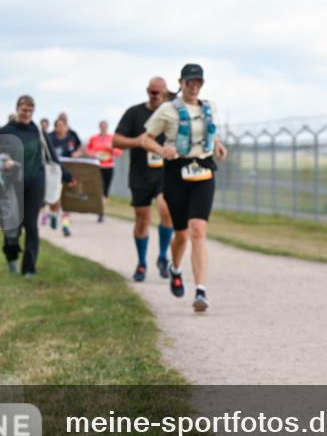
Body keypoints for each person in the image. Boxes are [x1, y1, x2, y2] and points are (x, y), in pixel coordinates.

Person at [140, 63, 227, 312]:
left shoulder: (210, 107)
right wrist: (161, 150)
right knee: (181, 234)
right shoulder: (168, 110)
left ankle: (200, 291)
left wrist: (217, 144)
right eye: (189, 81)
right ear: (180, 83)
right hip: (176, 173)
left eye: (198, 81)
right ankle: (175, 268)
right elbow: (146, 138)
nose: (193, 85)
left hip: (204, 172)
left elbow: (208, 131)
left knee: (198, 229)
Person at [0, 95, 74, 277]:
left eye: (30, 111)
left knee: (31, 225)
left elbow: (53, 157)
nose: (27, 114)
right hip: (10, 185)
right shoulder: (5, 131)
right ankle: (11, 256)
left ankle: (29, 268)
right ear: (17, 109)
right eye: (24, 110)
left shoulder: (38, 132)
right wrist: (3, 164)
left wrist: (68, 176)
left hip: (35, 182)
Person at [114, 77, 176, 281]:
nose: (155, 95)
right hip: (140, 174)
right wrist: (137, 142)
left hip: (165, 174)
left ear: (166, 92)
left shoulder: (171, 113)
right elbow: (116, 140)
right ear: (147, 91)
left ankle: (162, 256)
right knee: (143, 220)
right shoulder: (134, 113)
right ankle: (141, 263)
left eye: (160, 92)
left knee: (166, 210)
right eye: (152, 91)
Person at [47, 117, 83, 236]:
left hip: (68, 173)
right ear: (55, 127)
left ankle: (65, 226)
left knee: (67, 202)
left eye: (63, 125)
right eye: (59, 125)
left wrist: (76, 154)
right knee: (55, 200)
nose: (61, 128)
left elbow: (80, 148)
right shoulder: (50, 138)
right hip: (54, 173)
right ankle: (53, 214)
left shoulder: (72, 137)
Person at [86, 120, 122, 222]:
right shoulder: (94, 138)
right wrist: (93, 154)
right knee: (99, 188)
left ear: (107, 127)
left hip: (109, 166)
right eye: (101, 126)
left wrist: (111, 149)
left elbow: (119, 152)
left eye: (104, 126)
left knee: (106, 189)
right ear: (99, 127)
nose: (103, 128)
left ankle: (102, 210)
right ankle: (100, 211)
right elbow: (88, 150)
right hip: (97, 166)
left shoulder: (112, 138)